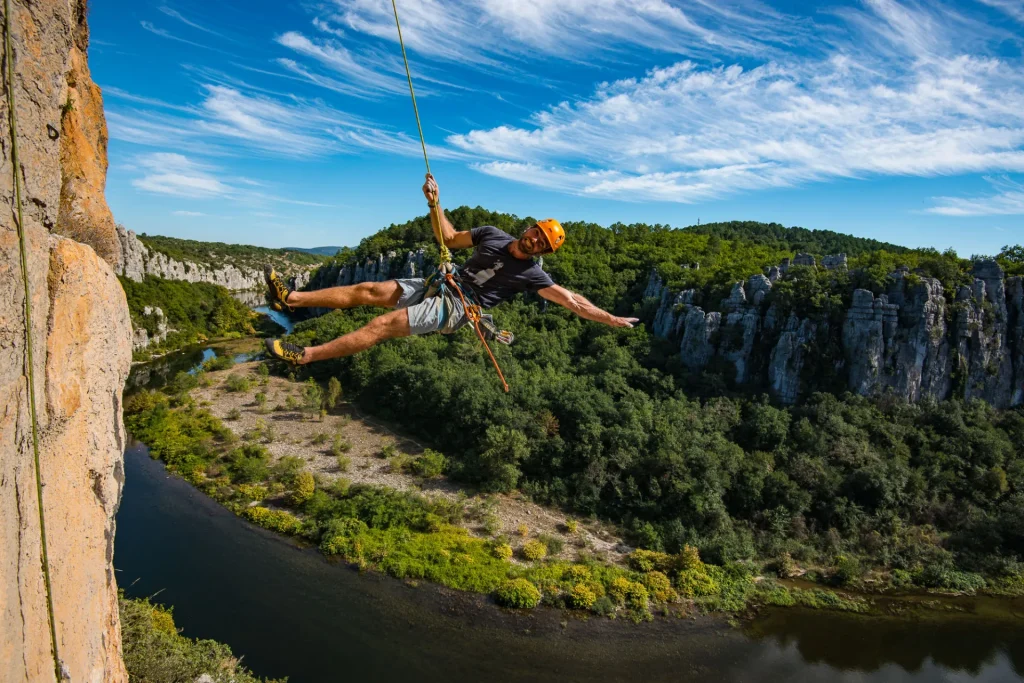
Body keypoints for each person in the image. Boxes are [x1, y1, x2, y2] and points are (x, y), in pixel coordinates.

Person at [263, 174, 638, 364]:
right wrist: (435, 203)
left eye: (543, 244)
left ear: (544, 252)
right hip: (443, 283)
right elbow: (450, 235)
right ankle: (291, 298)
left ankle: (305, 355)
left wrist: (610, 319)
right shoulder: (491, 234)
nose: (535, 241)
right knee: (368, 290)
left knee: (380, 327)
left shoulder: (532, 275)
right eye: (537, 233)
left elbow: (573, 301)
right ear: (529, 227)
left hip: (457, 306)